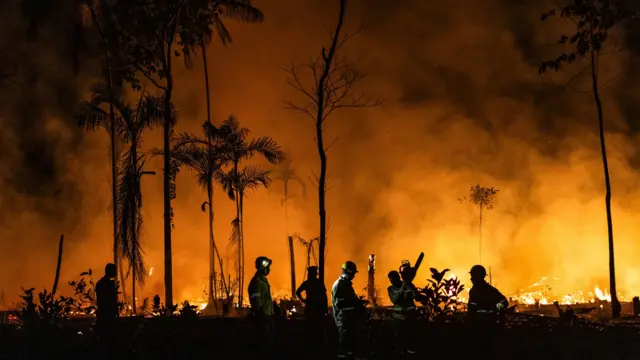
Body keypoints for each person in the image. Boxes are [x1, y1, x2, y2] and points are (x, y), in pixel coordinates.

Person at [332, 261, 368, 359]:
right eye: (352, 274)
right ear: (347, 272)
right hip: (343, 322)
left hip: (348, 321)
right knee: (343, 349)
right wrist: (356, 304)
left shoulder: (346, 284)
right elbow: (339, 304)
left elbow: (350, 299)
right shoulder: (340, 285)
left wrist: (358, 302)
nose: (354, 276)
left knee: (350, 349)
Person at [387, 270, 421, 356]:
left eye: (394, 279)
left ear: (398, 278)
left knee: (411, 338)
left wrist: (410, 287)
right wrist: (402, 287)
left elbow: (417, 297)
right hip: (398, 318)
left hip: (409, 317)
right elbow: (394, 300)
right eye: (391, 280)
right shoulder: (390, 289)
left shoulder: (408, 285)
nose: (392, 282)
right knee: (398, 338)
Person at [248, 256, 275, 357]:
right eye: (268, 267)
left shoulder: (263, 280)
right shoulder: (257, 281)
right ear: (263, 268)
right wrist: (260, 312)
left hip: (267, 315)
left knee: (268, 340)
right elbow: (256, 299)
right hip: (263, 316)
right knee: (263, 341)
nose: (269, 270)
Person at [296, 266, 328, 350]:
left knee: (310, 329)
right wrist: (325, 309)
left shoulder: (307, 283)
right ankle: (318, 347)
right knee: (318, 329)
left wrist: (303, 300)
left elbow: (297, 291)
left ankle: (311, 346)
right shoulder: (319, 283)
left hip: (311, 309)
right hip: (318, 310)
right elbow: (324, 297)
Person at [95, 263, 119, 359]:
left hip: (103, 314)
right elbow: (111, 300)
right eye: (114, 270)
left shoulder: (100, 283)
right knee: (109, 340)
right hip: (107, 315)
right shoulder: (108, 284)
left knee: (104, 341)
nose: (115, 273)